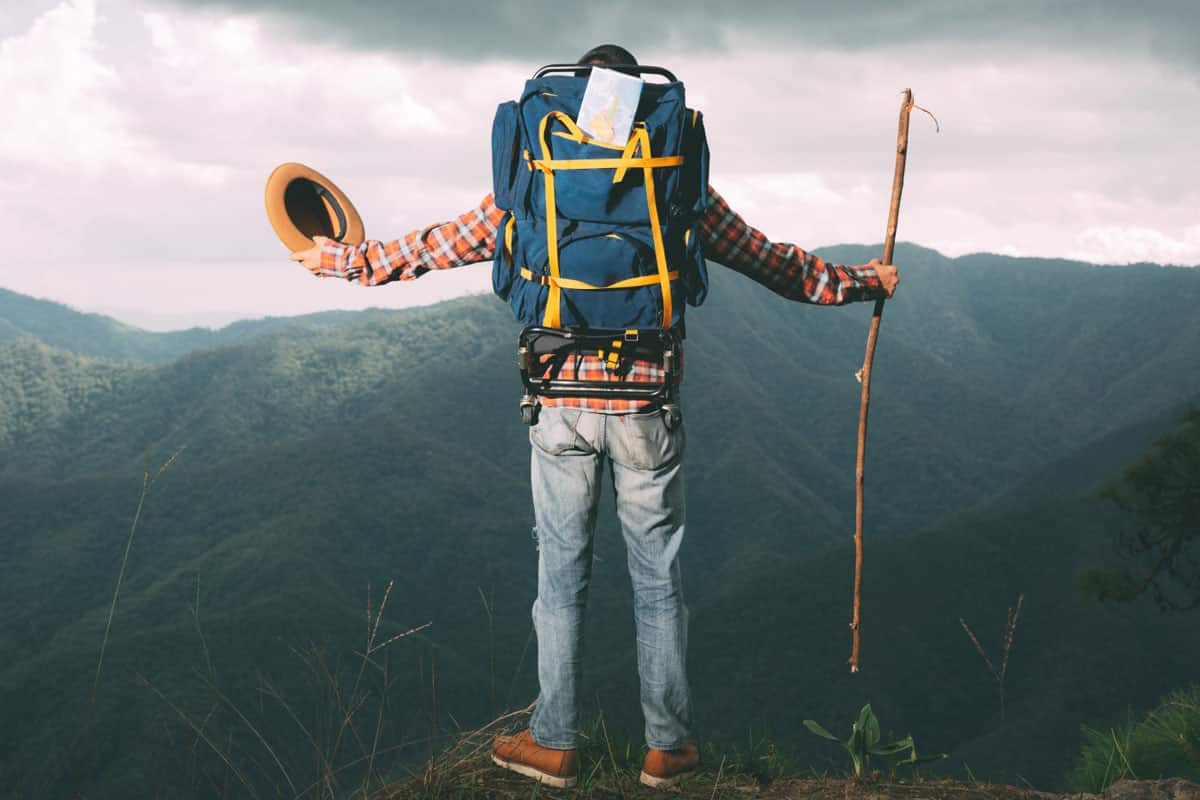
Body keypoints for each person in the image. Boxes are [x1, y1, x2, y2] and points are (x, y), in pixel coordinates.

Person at [290, 44, 899, 790]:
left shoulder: (538, 175)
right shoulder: (669, 179)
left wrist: (344, 261)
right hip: (648, 405)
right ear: (643, 105)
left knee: (561, 581)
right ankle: (668, 749)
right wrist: (863, 280)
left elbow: (431, 248)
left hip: (559, 405)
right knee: (658, 582)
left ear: (571, 98)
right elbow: (772, 261)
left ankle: (553, 743)